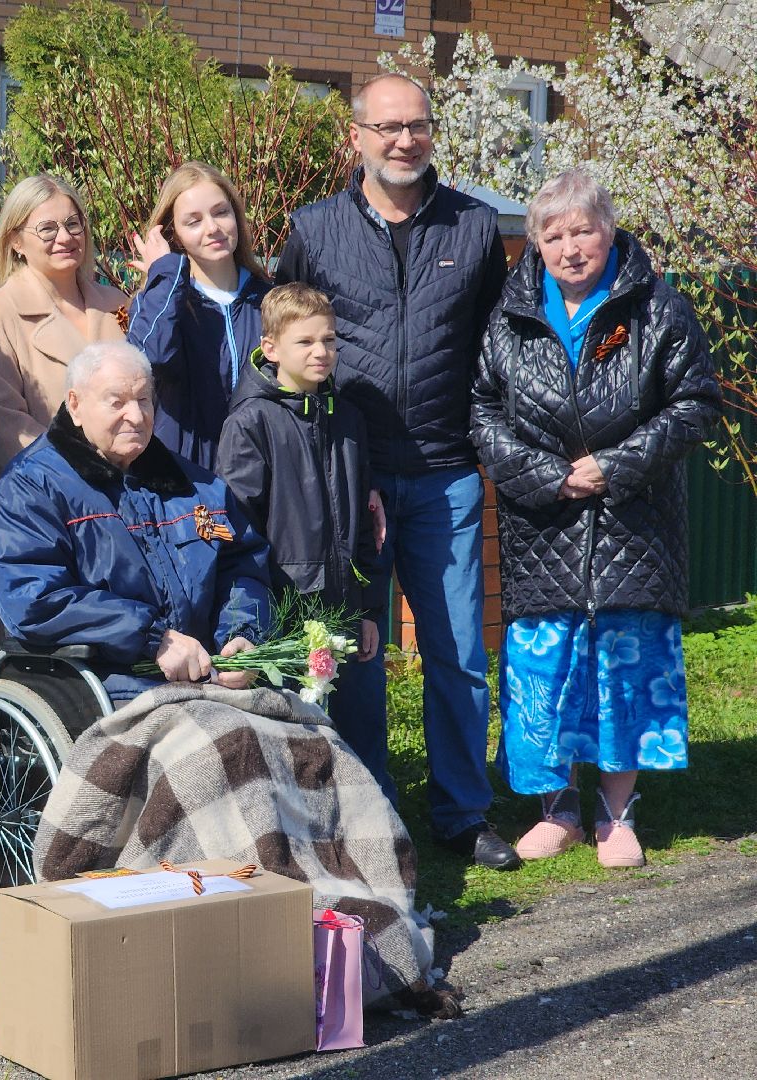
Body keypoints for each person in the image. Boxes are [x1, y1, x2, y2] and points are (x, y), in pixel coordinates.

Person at [275, 73, 518, 868]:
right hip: (351, 478)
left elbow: (498, 351)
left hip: (446, 473)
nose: (403, 140)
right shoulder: (312, 230)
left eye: (416, 125)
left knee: (455, 652)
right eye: (386, 127)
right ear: (357, 138)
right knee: (356, 655)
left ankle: (461, 811)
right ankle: (365, 808)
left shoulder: (476, 229)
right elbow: (283, 347)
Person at [471, 170, 720, 869]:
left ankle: (617, 816)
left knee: (624, 674)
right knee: (542, 676)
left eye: (583, 230)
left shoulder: (658, 310)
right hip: (541, 527)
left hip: (633, 527)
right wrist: (550, 477)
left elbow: (695, 404)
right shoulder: (509, 318)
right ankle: (558, 812)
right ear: (535, 243)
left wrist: (618, 464)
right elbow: (483, 415)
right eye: (553, 234)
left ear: (609, 230)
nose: (570, 247)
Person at [0, 341, 270, 703]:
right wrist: (153, 638)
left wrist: (240, 635)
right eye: (117, 402)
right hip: (108, 683)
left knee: (312, 743)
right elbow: (33, 597)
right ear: (75, 405)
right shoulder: (32, 486)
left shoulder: (195, 486)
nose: (136, 416)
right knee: (226, 751)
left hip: (207, 677)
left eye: (144, 400)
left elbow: (242, 564)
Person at [0, 173, 129, 641]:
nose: (65, 237)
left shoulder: (119, 306)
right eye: (47, 229)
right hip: (38, 509)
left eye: (74, 224)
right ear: (16, 240)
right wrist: (88, 474)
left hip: (120, 509)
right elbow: (4, 420)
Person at [217, 283, 384, 687]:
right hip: (283, 614)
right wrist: (250, 621)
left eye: (328, 339)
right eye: (305, 341)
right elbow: (237, 531)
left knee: (348, 733)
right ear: (271, 349)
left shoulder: (348, 420)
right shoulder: (251, 423)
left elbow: (363, 527)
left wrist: (368, 611)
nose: (321, 351)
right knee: (292, 729)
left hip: (342, 612)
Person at [127, 161, 271, 469]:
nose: (212, 228)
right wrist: (164, 276)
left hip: (260, 480)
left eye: (221, 212)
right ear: (173, 235)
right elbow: (150, 361)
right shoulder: (158, 302)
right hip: (188, 484)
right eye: (193, 221)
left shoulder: (271, 300)